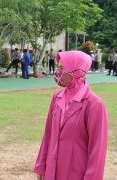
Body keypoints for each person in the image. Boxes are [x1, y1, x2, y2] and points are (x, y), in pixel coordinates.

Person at [34, 50, 108, 180]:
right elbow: (48, 135)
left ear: (76, 70)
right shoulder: (57, 98)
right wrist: (42, 167)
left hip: (76, 173)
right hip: (52, 171)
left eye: (62, 68)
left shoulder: (94, 104)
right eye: (58, 68)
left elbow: (97, 150)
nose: (58, 72)